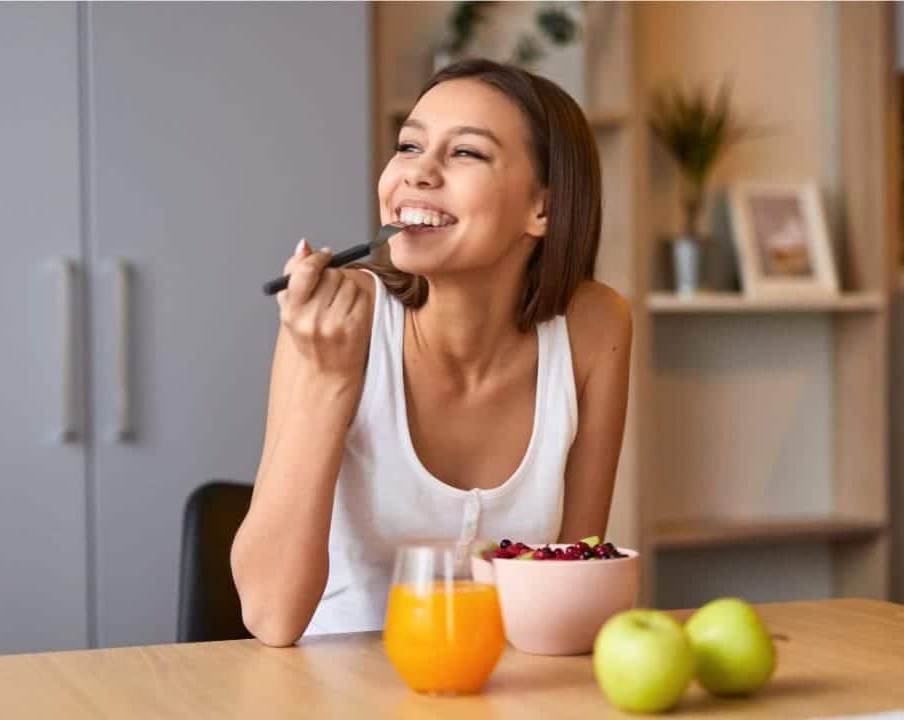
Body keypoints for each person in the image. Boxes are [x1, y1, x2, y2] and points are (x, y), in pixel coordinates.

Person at [231, 59, 632, 647]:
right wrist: (328, 378)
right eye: (409, 145)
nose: (417, 173)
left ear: (542, 208)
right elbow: (270, 616)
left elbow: (568, 590)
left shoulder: (595, 327)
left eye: (465, 152)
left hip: (503, 690)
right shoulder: (339, 321)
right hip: (330, 692)